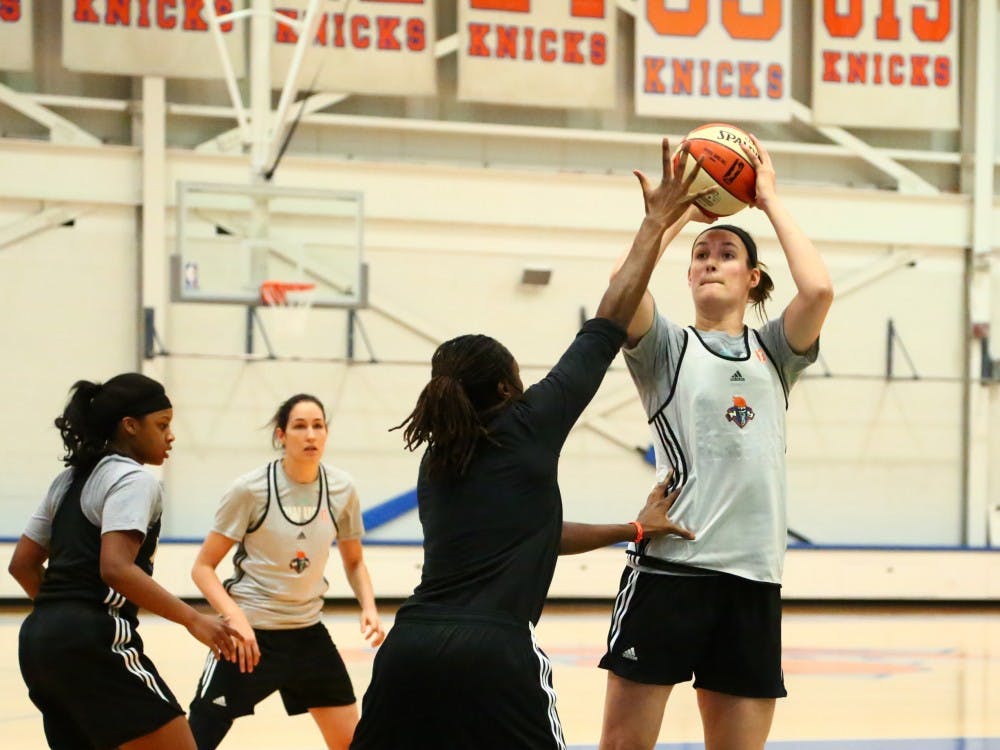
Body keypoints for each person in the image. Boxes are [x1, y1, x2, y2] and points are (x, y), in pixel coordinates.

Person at [350, 138, 710, 750]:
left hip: (408, 648)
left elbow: (536, 534)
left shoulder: (440, 459)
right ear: (505, 385)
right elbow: (611, 317)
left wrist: (631, 529)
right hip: (494, 650)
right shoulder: (530, 422)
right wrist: (655, 223)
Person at [598, 135, 834, 750]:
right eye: (701, 255)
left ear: (751, 277)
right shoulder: (667, 348)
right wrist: (668, 219)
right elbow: (622, 295)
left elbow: (818, 292)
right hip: (673, 569)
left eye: (725, 253)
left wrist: (769, 199)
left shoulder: (774, 352)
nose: (709, 261)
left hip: (754, 576)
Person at [9, 373, 240, 750]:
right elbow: (115, 568)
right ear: (130, 426)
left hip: (38, 642)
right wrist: (193, 619)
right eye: (162, 425)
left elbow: (21, 565)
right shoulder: (134, 480)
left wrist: (59, 619)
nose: (171, 435)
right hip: (96, 641)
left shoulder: (67, 480)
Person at [188, 393, 385, 750]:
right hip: (250, 639)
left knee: (352, 743)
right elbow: (202, 568)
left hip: (308, 635)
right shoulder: (249, 489)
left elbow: (354, 561)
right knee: (196, 740)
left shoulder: (342, 489)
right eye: (299, 426)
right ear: (281, 435)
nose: (310, 434)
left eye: (318, 426)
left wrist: (369, 606)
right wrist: (235, 619)